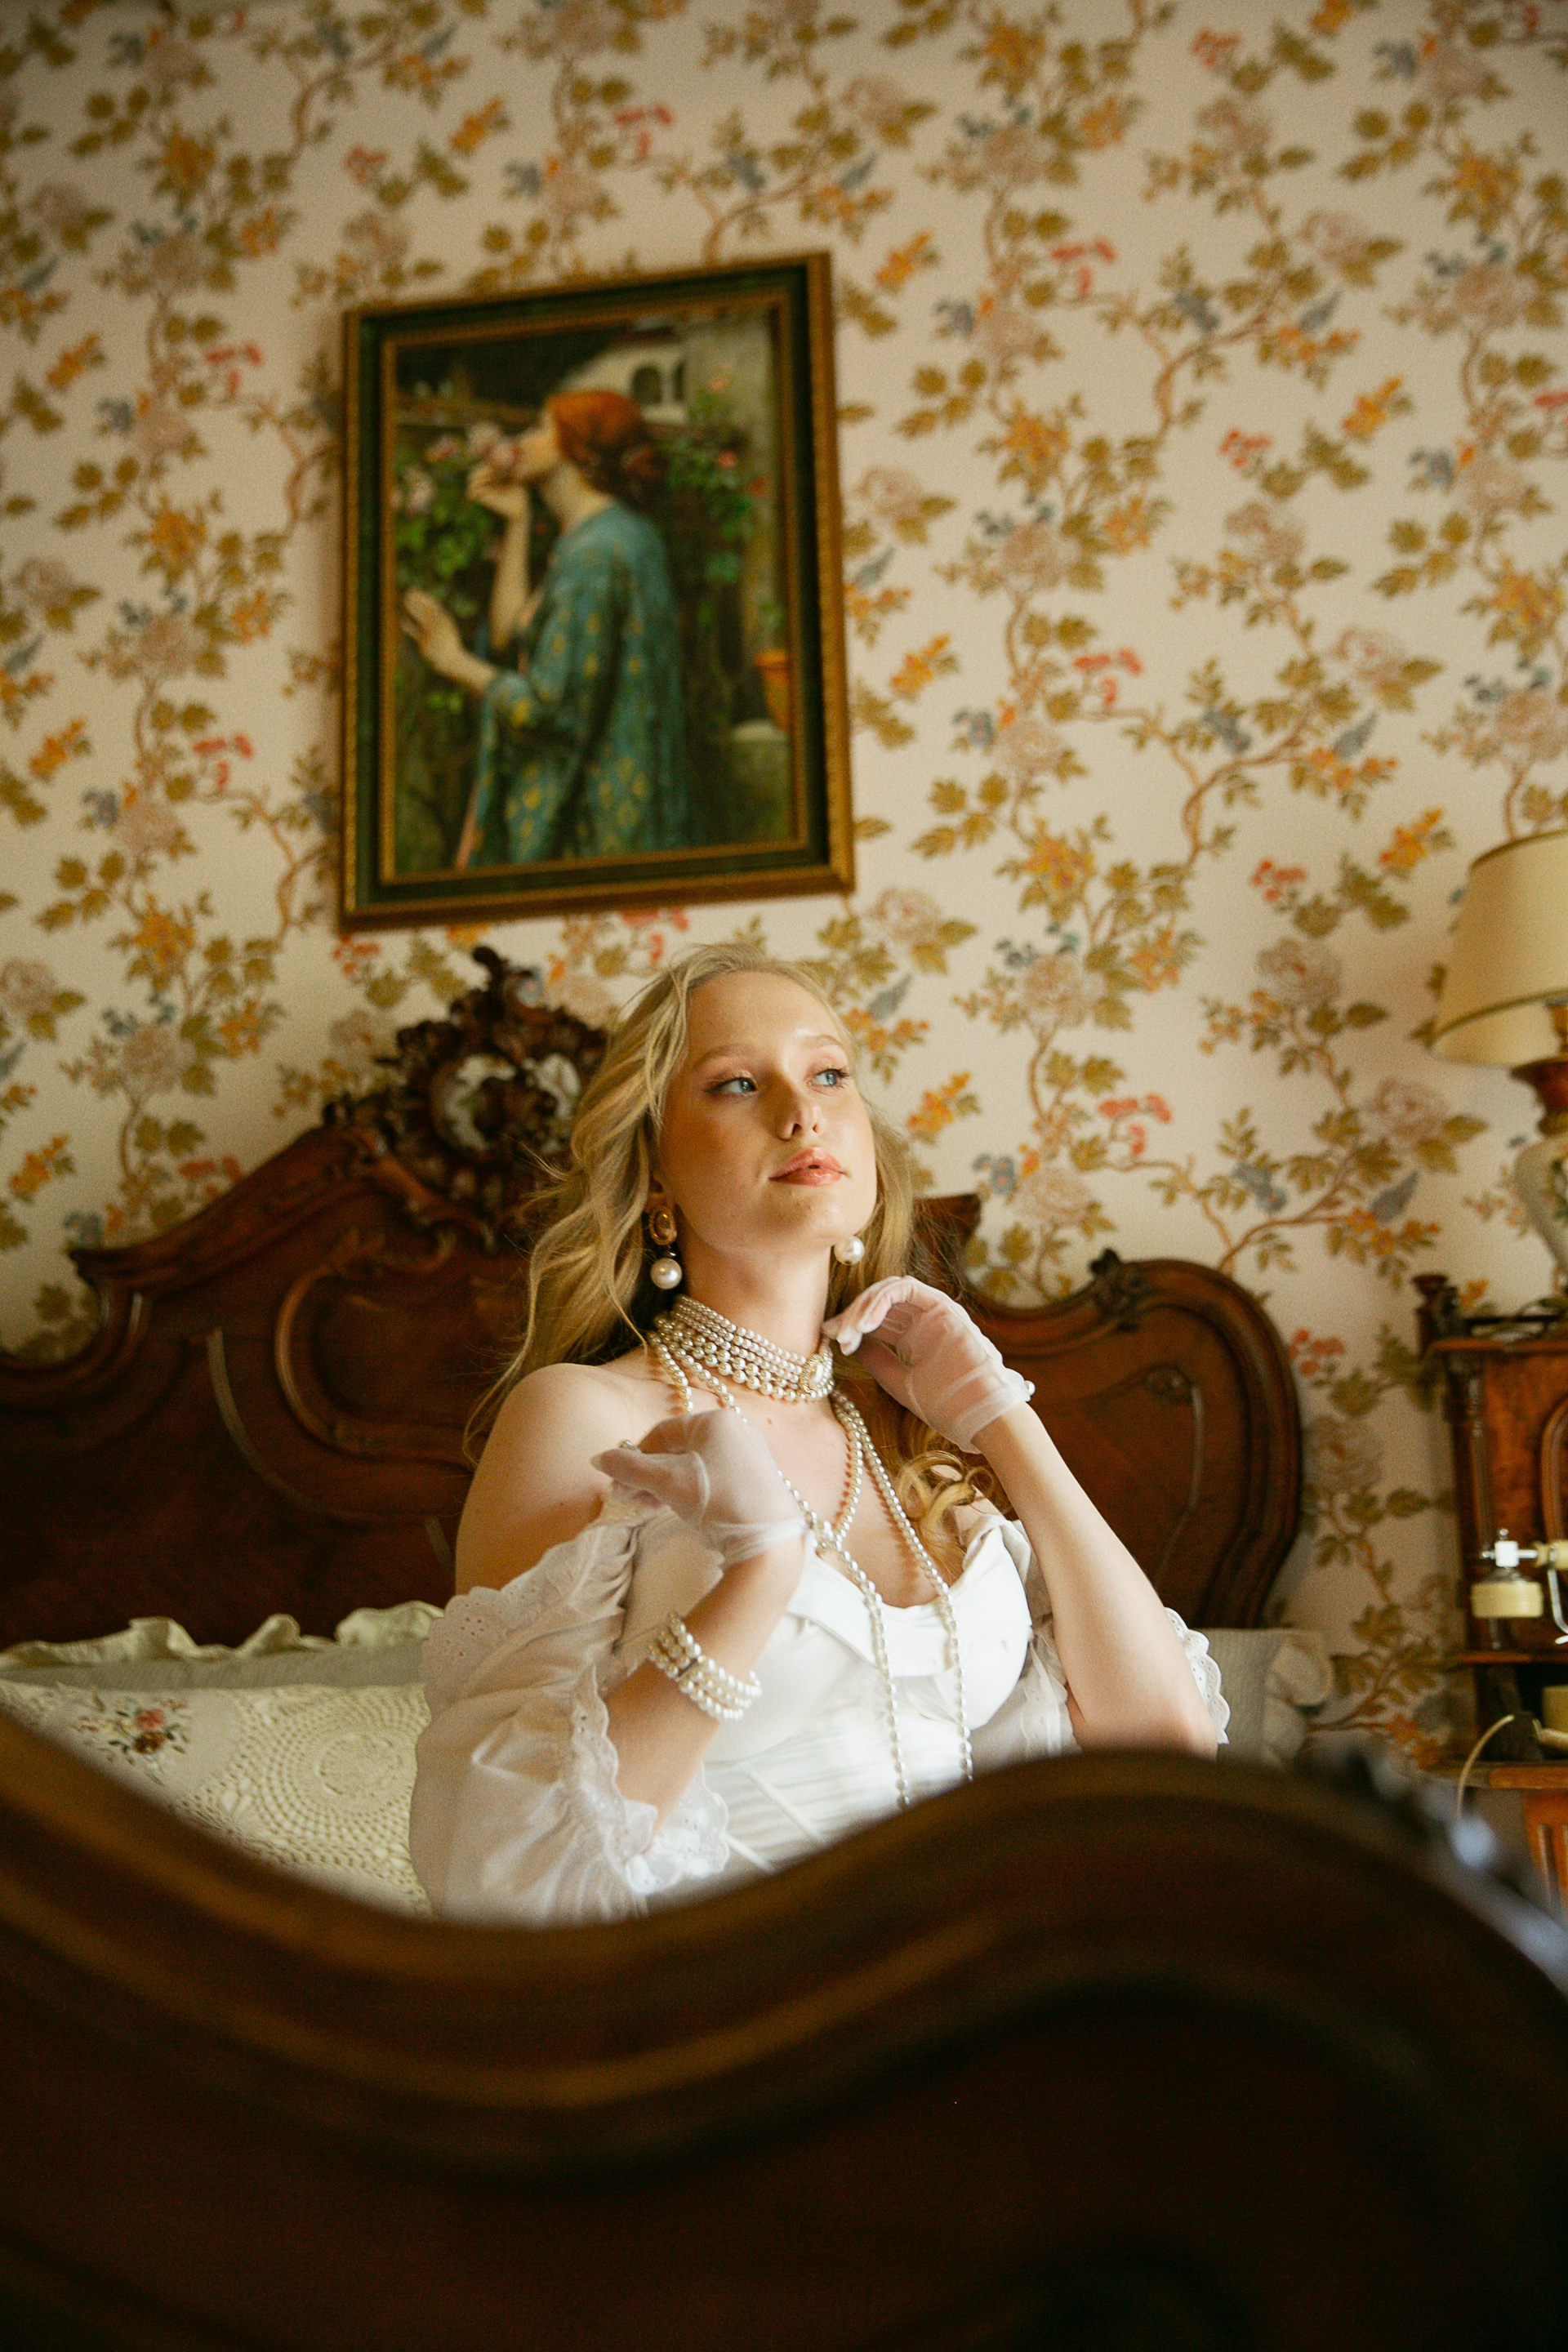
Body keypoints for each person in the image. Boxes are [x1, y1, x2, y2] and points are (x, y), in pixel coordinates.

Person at [409, 945, 1227, 1924]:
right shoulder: (585, 1418)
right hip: (727, 1999)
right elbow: (507, 1878)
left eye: (829, 1074)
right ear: (656, 1173)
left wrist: (1002, 1417)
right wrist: (760, 1571)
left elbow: (1170, 1754)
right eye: (737, 1083)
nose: (803, 1113)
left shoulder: (913, 1438)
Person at [401, 390, 690, 867]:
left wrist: (454, 661)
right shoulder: (611, 534)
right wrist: (519, 521)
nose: (522, 441)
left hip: (598, 826)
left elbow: (548, 711)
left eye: (540, 428)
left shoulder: (595, 556)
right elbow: (511, 635)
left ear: (577, 448)